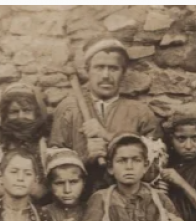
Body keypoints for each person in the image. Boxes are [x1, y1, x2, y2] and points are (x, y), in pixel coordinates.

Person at [50, 37, 161, 192]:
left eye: (113, 68)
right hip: (81, 199)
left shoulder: (141, 112)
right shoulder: (68, 109)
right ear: (87, 70)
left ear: (123, 73)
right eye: (99, 67)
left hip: (128, 199)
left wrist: (108, 137)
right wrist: (84, 159)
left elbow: (155, 168)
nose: (106, 75)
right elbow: (53, 168)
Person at [0, 82, 51, 207]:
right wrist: (19, 189)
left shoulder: (46, 144)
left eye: (27, 111)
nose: (21, 116)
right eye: (14, 112)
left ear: (36, 114)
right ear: (5, 115)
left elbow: (56, 187)